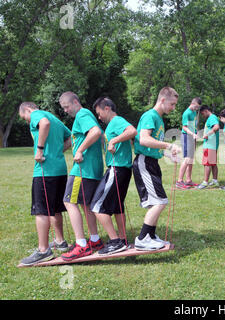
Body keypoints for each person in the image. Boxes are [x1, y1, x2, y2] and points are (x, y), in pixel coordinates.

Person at [18, 102, 72, 266]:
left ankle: (43, 250)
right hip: (60, 169)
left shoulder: (37, 115)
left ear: (28, 109)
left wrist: (40, 150)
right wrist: (56, 152)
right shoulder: (54, 118)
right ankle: (60, 241)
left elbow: (44, 124)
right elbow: (69, 138)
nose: (28, 122)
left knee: (41, 210)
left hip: (45, 171)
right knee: (55, 208)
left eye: (24, 118)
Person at [133, 87, 181, 251]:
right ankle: (143, 238)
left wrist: (168, 155)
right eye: (172, 104)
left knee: (157, 201)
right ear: (162, 100)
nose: (173, 108)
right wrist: (169, 145)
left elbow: (153, 146)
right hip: (144, 162)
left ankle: (151, 236)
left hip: (152, 162)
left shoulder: (159, 119)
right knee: (160, 201)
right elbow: (144, 139)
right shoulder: (150, 116)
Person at [59, 92, 104, 262]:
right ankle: (95, 240)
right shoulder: (87, 115)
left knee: (69, 201)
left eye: (66, 106)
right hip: (92, 169)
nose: (65, 110)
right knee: (86, 205)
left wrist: (79, 150)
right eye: (63, 108)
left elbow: (95, 132)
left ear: (75, 102)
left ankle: (82, 245)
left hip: (82, 170)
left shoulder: (82, 114)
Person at [90, 97, 137, 255]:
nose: (99, 117)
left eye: (99, 113)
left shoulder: (117, 121)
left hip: (117, 169)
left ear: (107, 108)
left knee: (97, 206)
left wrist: (113, 141)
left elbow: (132, 131)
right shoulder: (113, 124)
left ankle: (115, 241)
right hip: (123, 169)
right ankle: (122, 239)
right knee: (117, 207)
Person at [176, 97, 202, 189]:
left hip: (192, 136)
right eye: (197, 106)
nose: (197, 109)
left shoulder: (194, 112)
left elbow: (193, 125)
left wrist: (196, 133)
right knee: (187, 159)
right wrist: (192, 134)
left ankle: (188, 180)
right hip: (186, 136)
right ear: (193, 103)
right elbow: (184, 127)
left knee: (191, 159)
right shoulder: (186, 113)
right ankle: (179, 181)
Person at [197, 105, 220, 189]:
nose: (203, 116)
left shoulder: (212, 117)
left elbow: (216, 127)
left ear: (206, 111)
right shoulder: (212, 118)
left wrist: (207, 134)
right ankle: (215, 181)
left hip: (210, 145)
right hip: (212, 145)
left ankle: (205, 182)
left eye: (203, 114)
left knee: (207, 163)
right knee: (213, 163)